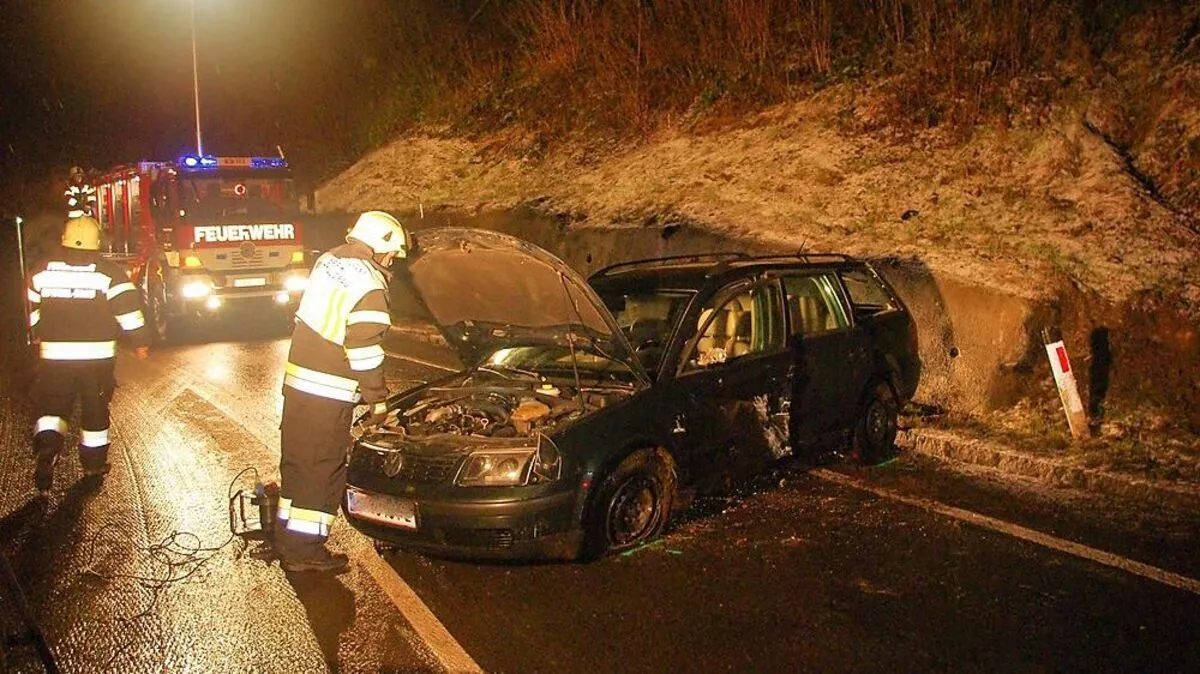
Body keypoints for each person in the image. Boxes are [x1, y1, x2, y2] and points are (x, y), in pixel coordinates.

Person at [274, 210, 409, 573]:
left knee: (298, 463)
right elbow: (364, 351)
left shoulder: (329, 260)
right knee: (322, 470)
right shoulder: (370, 286)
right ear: (380, 246)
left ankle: (287, 538)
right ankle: (305, 553)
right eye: (392, 253)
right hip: (328, 393)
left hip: (298, 383)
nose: (392, 260)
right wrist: (378, 400)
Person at [26, 216, 151, 492]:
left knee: (52, 408)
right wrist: (141, 342)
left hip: (54, 357)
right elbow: (129, 312)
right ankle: (93, 465)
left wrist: (36, 331)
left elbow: (29, 309)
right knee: (94, 411)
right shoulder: (109, 274)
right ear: (97, 244)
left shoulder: (41, 272)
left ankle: (47, 449)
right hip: (97, 359)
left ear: (65, 242)